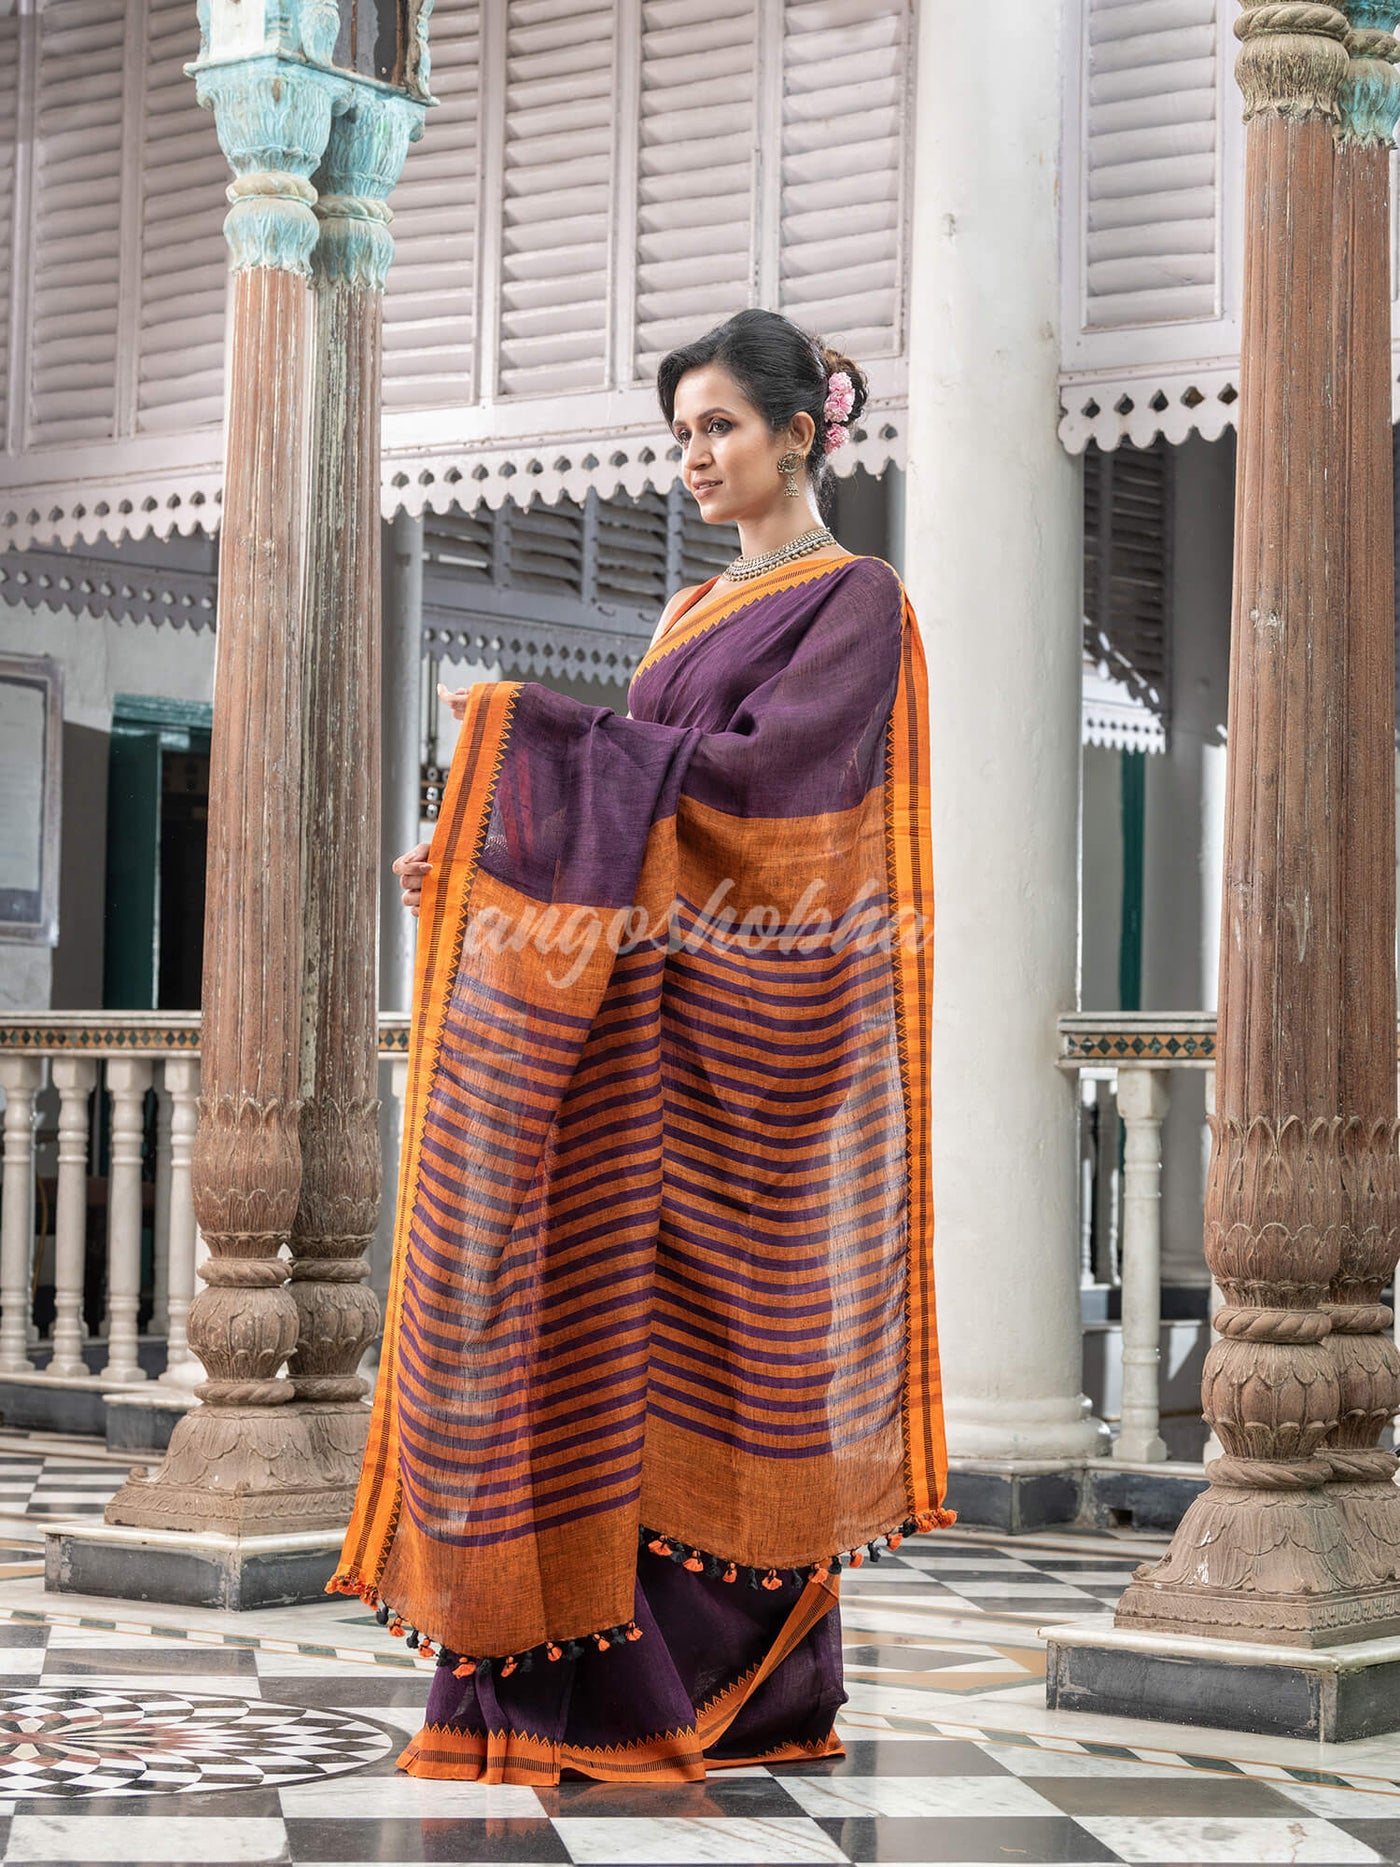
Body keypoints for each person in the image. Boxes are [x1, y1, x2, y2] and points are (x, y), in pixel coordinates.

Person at [330, 307, 953, 1784]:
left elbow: (761, 800)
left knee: (729, 1355)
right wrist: (484, 856)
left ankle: (743, 1684)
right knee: (605, 1333)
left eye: (721, 427)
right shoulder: (685, 613)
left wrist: (528, 728)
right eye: (682, 434)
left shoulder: (858, 601)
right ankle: (601, 1675)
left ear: (800, 433)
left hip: (758, 1041)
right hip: (650, 1033)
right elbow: (633, 814)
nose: (696, 457)